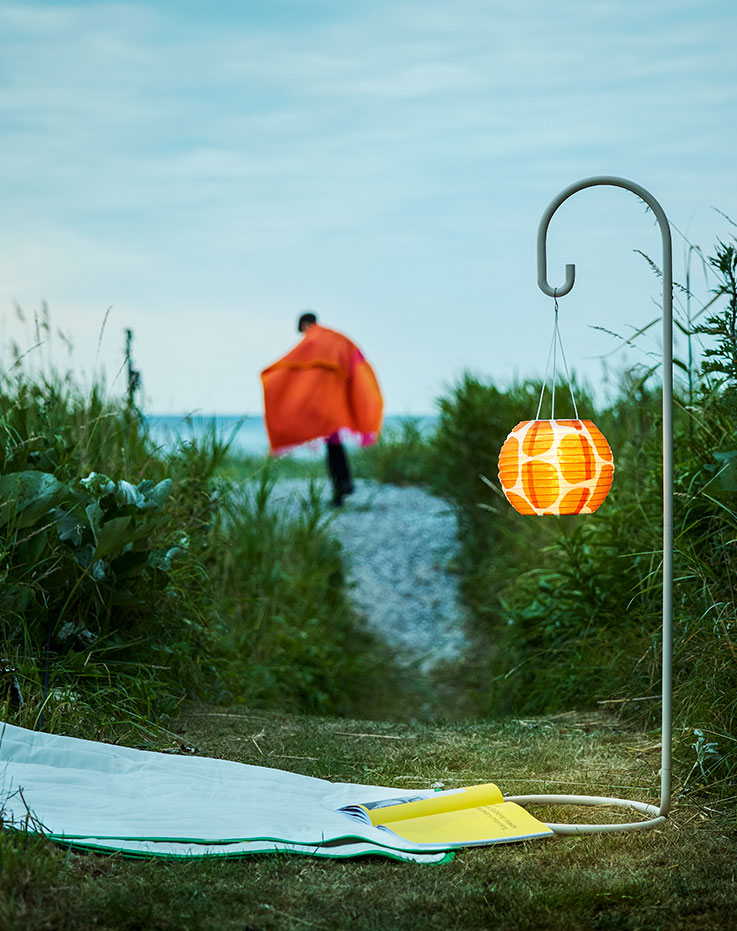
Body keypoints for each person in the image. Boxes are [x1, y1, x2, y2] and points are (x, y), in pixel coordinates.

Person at [260, 311, 383, 506]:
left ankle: (341, 488)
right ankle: (344, 485)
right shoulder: (337, 339)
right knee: (335, 446)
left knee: (333, 449)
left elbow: (295, 360)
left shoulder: (316, 339)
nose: (304, 336)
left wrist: (274, 370)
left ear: (306, 325)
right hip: (338, 404)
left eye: (302, 331)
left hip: (328, 407)